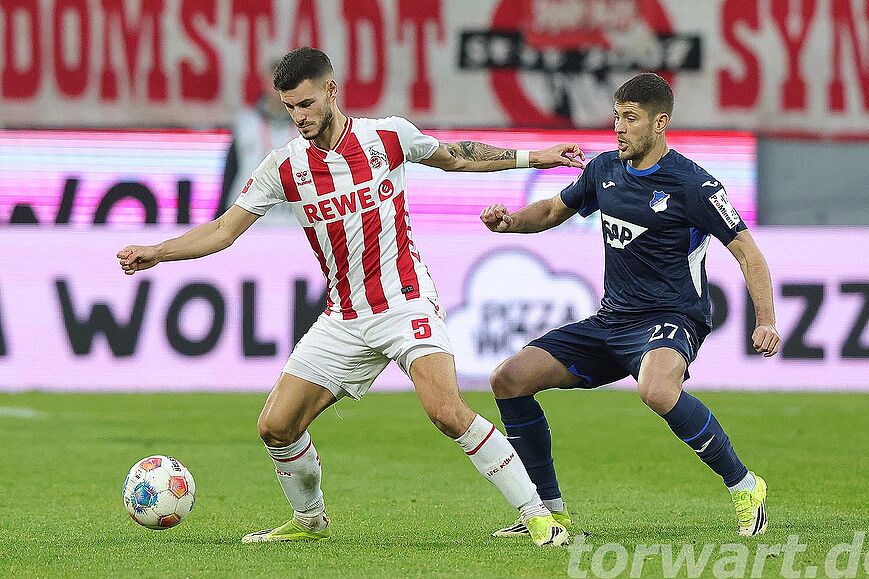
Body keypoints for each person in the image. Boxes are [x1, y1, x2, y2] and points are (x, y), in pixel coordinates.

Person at [116, 47, 585, 547]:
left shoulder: (388, 137)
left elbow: (456, 156)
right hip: (344, 316)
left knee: (446, 412)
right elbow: (223, 230)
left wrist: (535, 156)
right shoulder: (283, 167)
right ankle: (310, 521)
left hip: (404, 301)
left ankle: (538, 515)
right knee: (276, 426)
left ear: (331, 91)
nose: (299, 117)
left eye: (306, 103)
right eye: (290, 107)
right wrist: (159, 252)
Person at [480, 73, 779, 538]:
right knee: (509, 379)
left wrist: (766, 321)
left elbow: (748, 253)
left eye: (630, 118)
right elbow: (553, 210)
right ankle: (548, 512)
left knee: (656, 390)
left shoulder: (694, 185)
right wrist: (511, 221)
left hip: (672, 318)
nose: (618, 127)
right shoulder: (604, 170)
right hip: (611, 321)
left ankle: (745, 485)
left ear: (660, 123)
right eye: (616, 116)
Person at [217, 61, 297, 225]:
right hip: (248, 221)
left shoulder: (309, 125)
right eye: (276, 82)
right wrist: (220, 218)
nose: (280, 89)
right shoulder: (246, 124)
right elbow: (230, 173)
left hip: (294, 221)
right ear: (266, 83)